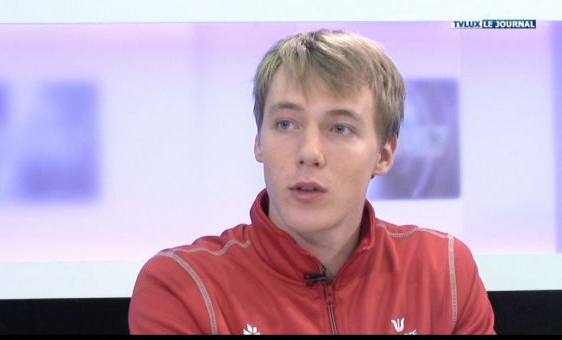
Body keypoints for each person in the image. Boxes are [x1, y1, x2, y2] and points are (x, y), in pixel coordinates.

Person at [128, 29, 496, 335]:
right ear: (259, 142)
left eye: (339, 128)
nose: (309, 152)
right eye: (286, 124)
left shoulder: (443, 268)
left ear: (384, 155)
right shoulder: (182, 285)